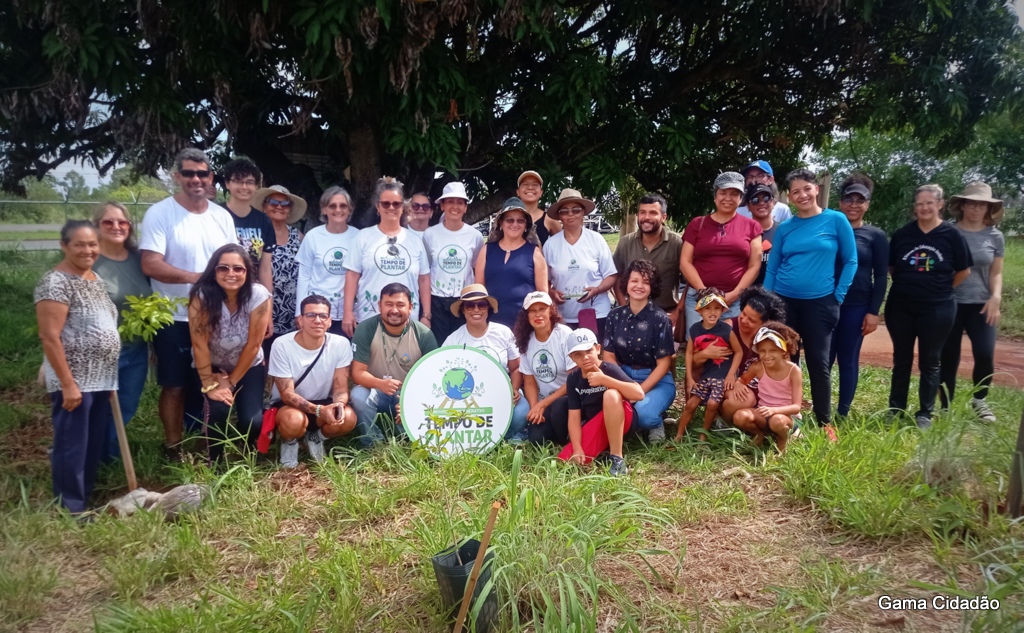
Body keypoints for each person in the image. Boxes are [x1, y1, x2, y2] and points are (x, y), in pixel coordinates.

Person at [140, 148, 237, 458]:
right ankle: (172, 445)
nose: (196, 179)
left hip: (216, 317)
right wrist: (198, 277)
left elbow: (233, 262)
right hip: (174, 317)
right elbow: (150, 264)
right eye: (189, 173)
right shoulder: (160, 213)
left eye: (203, 174)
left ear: (211, 178)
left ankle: (204, 443)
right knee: (176, 385)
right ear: (177, 176)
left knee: (209, 383)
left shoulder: (221, 216)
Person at [35, 221, 121, 514]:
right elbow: (49, 336)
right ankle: (69, 506)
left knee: (90, 443)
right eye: (79, 245)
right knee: (72, 444)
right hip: (74, 379)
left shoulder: (94, 279)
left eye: (92, 244)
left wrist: (109, 379)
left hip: (100, 379)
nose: (88, 250)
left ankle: (84, 497)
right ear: (64, 246)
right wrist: (68, 383)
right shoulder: (55, 283)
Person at [764, 168, 856, 433]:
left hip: (820, 303)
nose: (802, 195)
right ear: (790, 198)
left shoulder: (836, 220)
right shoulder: (786, 228)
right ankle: (787, 418)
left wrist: (837, 296)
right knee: (787, 361)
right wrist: (771, 303)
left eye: (806, 188)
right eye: (795, 191)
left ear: (817, 189)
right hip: (785, 302)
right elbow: (773, 267)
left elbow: (850, 260)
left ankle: (824, 421)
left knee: (819, 363)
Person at [886, 184, 972, 429]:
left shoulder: (952, 235)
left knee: (931, 360)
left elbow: (964, 271)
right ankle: (896, 408)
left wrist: (939, 289)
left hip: (938, 307)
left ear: (940, 204)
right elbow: (893, 268)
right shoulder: (903, 235)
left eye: (929, 203)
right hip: (901, 306)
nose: (924, 208)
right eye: (920, 203)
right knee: (901, 359)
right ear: (915, 207)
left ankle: (925, 412)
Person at [188, 244, 271, 461]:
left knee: (252, 422)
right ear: (213, 271)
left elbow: (254, 344)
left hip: (248, 363)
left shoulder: (258, 295)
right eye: (223, 268)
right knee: (219, 410)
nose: (231, 274)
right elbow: (199, 344)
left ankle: (246, 452)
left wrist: (230, 382)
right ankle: (214, 461)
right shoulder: (202, 295)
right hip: (211, 364)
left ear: (247, 271)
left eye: (238, 269)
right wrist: (209, 383)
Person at [940, 182, 1005, 421]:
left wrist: (995, 297)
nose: (976, 209)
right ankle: (945, 406)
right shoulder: (948, 231)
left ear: (988, 208)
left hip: (982, 304)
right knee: (948, 356)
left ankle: (980, 400)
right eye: (972, 203)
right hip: (951, 301)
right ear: (963, 205)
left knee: (985, 353)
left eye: (982, 205)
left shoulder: (995, 236)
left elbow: (996, 272)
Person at [92, 202, 151, 462]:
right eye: (108, 222)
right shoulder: (89, 260)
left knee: (125, 406)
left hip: (136, 348)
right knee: (97, 407)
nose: (116, 227)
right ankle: (92, 457)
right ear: (97, 226)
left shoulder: (139, 259)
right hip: (99, 351)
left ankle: (110, 456)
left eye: (122, 222)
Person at [269, 294, 358, 468]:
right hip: (290, 406)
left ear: (330, 321)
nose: (317, 320)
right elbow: (287, 394)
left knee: (347, 418)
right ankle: (289, 442)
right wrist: (319, 411)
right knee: (293, 421)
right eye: (311, 315)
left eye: (323, 316)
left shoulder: (340, 344)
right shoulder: (282, 345)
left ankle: (316, 438)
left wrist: (338, 405)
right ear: (300, 320)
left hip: (323, 403)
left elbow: (340, 388)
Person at [350, 283, 439, 447]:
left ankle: (403, 435)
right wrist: (380, 384)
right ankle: (372, 444)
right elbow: (357, 373)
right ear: (380, 306)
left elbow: (432, 379)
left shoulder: (424, 334)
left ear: (411, 307)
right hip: (376, 391)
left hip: (410, 394)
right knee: (358, 395)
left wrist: (409, 401)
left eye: (400, 305)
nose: (394, 310)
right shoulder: (366, 328)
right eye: (389, 304)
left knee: (406, 440)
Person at [828, 175, 888, 417]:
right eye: (848, 199)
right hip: (826, 303)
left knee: (848, 359)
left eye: (859, 200)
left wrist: (873, 312)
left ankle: (842, 412)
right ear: (841, 203)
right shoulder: (829, 229)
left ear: (868, 204)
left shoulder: (875, 235)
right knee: (823, 359)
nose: (853, 204)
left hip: (857, 306)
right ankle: (822, 409)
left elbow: (882, 276)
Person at [343, 177, 431, 336]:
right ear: (377, 207)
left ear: (403, 207)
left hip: (407, 318)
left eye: (396, 204)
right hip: (370, 316)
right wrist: (347, 312)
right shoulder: (363, 237)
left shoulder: (415, 241)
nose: (391, 207)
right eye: (386, 203)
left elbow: (424, 279)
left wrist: (426, 315)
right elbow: (352, 276)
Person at [443, 284, 530, 441]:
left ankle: (497, 436)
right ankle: (495, 438)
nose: (476, 310)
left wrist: (514, 389)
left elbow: (516, 367)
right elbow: (444, 374)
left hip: (501, 393)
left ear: (488, 308)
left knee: (522, 411)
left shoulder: (503, 332)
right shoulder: (453, 340)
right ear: (463, 309)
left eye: (481, 304)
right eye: (470, 305)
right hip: (469, 399)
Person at [602, 260, 676, 443]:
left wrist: (639, 391)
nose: (639, 286)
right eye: (634, 281)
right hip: (623, 374)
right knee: (604, 404)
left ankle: (654, 421)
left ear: (652, 288)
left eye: (646, 282)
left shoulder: (660, 319)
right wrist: (625, 385)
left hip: (656, 378)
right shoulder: (614, 316)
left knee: (643, 414)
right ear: (626, 284)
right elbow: (608, 356)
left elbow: (664, 363)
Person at [680, 172, 763, 334]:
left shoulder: (752, 226)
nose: (728, 198)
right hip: (699, 298)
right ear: (715, 196)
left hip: (735, 300)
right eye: (723, 192)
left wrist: (734, 294)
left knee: (731, 349)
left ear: (741, 198)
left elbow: (754, 265)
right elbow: (685, 262)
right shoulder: (697, 224)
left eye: (734, 194)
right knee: (699, 348)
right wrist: (705, 293)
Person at [560, 328, 643, 477]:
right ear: (571, 357)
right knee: (568, 459)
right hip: (596, 423)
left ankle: (617, 458)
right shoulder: (573, 378)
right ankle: (601, 450)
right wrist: (578, 447)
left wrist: (605, 380)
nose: (585, 357)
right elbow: (574, 417)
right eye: (578, 354)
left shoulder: (609, 369)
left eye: (588, 351)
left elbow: (638, 394)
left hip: (622, 419)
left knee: (611, 394)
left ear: (598, 349)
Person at [543, 189, 618, 339]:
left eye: (576, 210)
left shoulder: (596, 239)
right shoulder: (550, 245)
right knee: (568, 358)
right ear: (559, 216)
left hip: (595, 311)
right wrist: (552, 293)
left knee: (594, 354)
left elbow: (611, 275)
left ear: (583, 212)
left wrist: (596, 289)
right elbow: (545, 279)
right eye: (565, 211)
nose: (571, 214)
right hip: (564, 314)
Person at [675, 288, 743, 442]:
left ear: (723, 310)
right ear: (699, 311)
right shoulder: (695, 329)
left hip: (721, 377)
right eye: (707, 308)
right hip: (705, 378)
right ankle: (679, 435)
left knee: (713, 403)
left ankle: (703, 435)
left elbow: (738, 352)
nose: (712, 312)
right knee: (691, 404)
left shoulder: (726, 330)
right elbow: (689, 353)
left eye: (717, 308)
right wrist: (690, 378)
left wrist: (731, 374)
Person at [715, 287, 788, 424]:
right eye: (743, 313)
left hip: (762, 388)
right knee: (744, 400)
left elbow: (784, 370)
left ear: (766, 324)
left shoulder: (772, 338)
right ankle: (723, 421)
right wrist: (735, 381)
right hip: (731, 383)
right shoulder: (728, 329)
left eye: (752, 320)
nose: (743, 320)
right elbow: (711, 364)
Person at [423, 182, 485, 343]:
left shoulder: (475, 236)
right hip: (437, 301)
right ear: (442, 205)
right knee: (439, 347)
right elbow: (427, 270)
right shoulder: (430, 234)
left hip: (464, 301)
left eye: (460, 202)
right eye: (450, 201)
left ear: (465, 207)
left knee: (464, 345)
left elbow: (475, 266)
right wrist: (427, 312)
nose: (455, 207)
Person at [514, 291, 576, 447]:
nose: (538, 314)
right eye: (533, 311)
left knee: (558, 408)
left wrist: (543, 405)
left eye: (542, 309)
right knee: (537, 439)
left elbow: (573, 379)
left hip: (568, 398)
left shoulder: (564, 334)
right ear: (526, 315)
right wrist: (535, 408)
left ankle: (567, 441)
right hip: (544, 401)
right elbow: (529, 381)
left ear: (551, 311)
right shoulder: (525, 340)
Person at [475, 197, 548, 328]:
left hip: (523, 326)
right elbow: (478, 290)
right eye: (510, 220)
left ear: (526, 225)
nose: (515, 224)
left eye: (520, 220)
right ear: (501, 223)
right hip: (490, 326)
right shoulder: (486, 250)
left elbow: (543, 295)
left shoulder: (535, 253)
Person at [295, 186, 359, 336]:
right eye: (332, 206)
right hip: (317, 313)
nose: (338, 210)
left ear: (350, 209)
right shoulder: (313, 236)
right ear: (324, 209)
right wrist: (300, 311)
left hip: (349, 313)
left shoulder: (359, 237)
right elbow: (304, 276)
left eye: (343, 206)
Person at [612, 193, 684, 322]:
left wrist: (677, 313)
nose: (646, 217)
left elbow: (689, 283)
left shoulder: (677, 243)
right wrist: (624, 307)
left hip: (667, 314)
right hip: (632, 314)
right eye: (642, 212)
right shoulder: (626, 243)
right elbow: (616, 276)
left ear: (663, 217)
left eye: (652, 213)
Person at [732, 323, 802, 451]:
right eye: (762, 351)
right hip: (764, 414)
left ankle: (783, 440)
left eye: (773, 350)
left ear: (784, 351)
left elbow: (796, 407)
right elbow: (743, 379)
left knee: (777, 421)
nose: (766, 355)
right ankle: (760, 434)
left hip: (786, 417)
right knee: (739, 416)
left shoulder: (793, 370)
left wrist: (773, 410)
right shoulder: (758, 367)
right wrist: (738, 383)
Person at [222, 159, 275, 293]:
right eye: (238, 181)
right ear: (227, 184)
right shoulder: (215, 215)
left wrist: (267, 301)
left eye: (249, 182)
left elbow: (265, 269)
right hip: (219, 291)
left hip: (251, 292)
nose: (244, 187)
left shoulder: (263, 221)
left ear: (256, 186)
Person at [265, 185, 305, 349]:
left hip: (292, 310)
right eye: (273, 202)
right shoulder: (257, 234)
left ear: (289, 209)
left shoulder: (299, 237)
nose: (279, 207)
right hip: (264, 307)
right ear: (264, 206)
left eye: (284, 204)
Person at [741, 183, 778, 285]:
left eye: (766, 198)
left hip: (777, 293)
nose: (761, 203)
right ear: (748, 206)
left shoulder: (782, 230)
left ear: (773, 202)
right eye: (755, 200)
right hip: (747, 293)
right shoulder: (741, 232)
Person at [517, 170, 561, 245]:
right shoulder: (506, 217)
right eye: (525, 184)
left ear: (541, 192)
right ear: (518, 192)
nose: (530, 187)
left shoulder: (549, 219)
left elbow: (560, 246)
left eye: (535, 185)